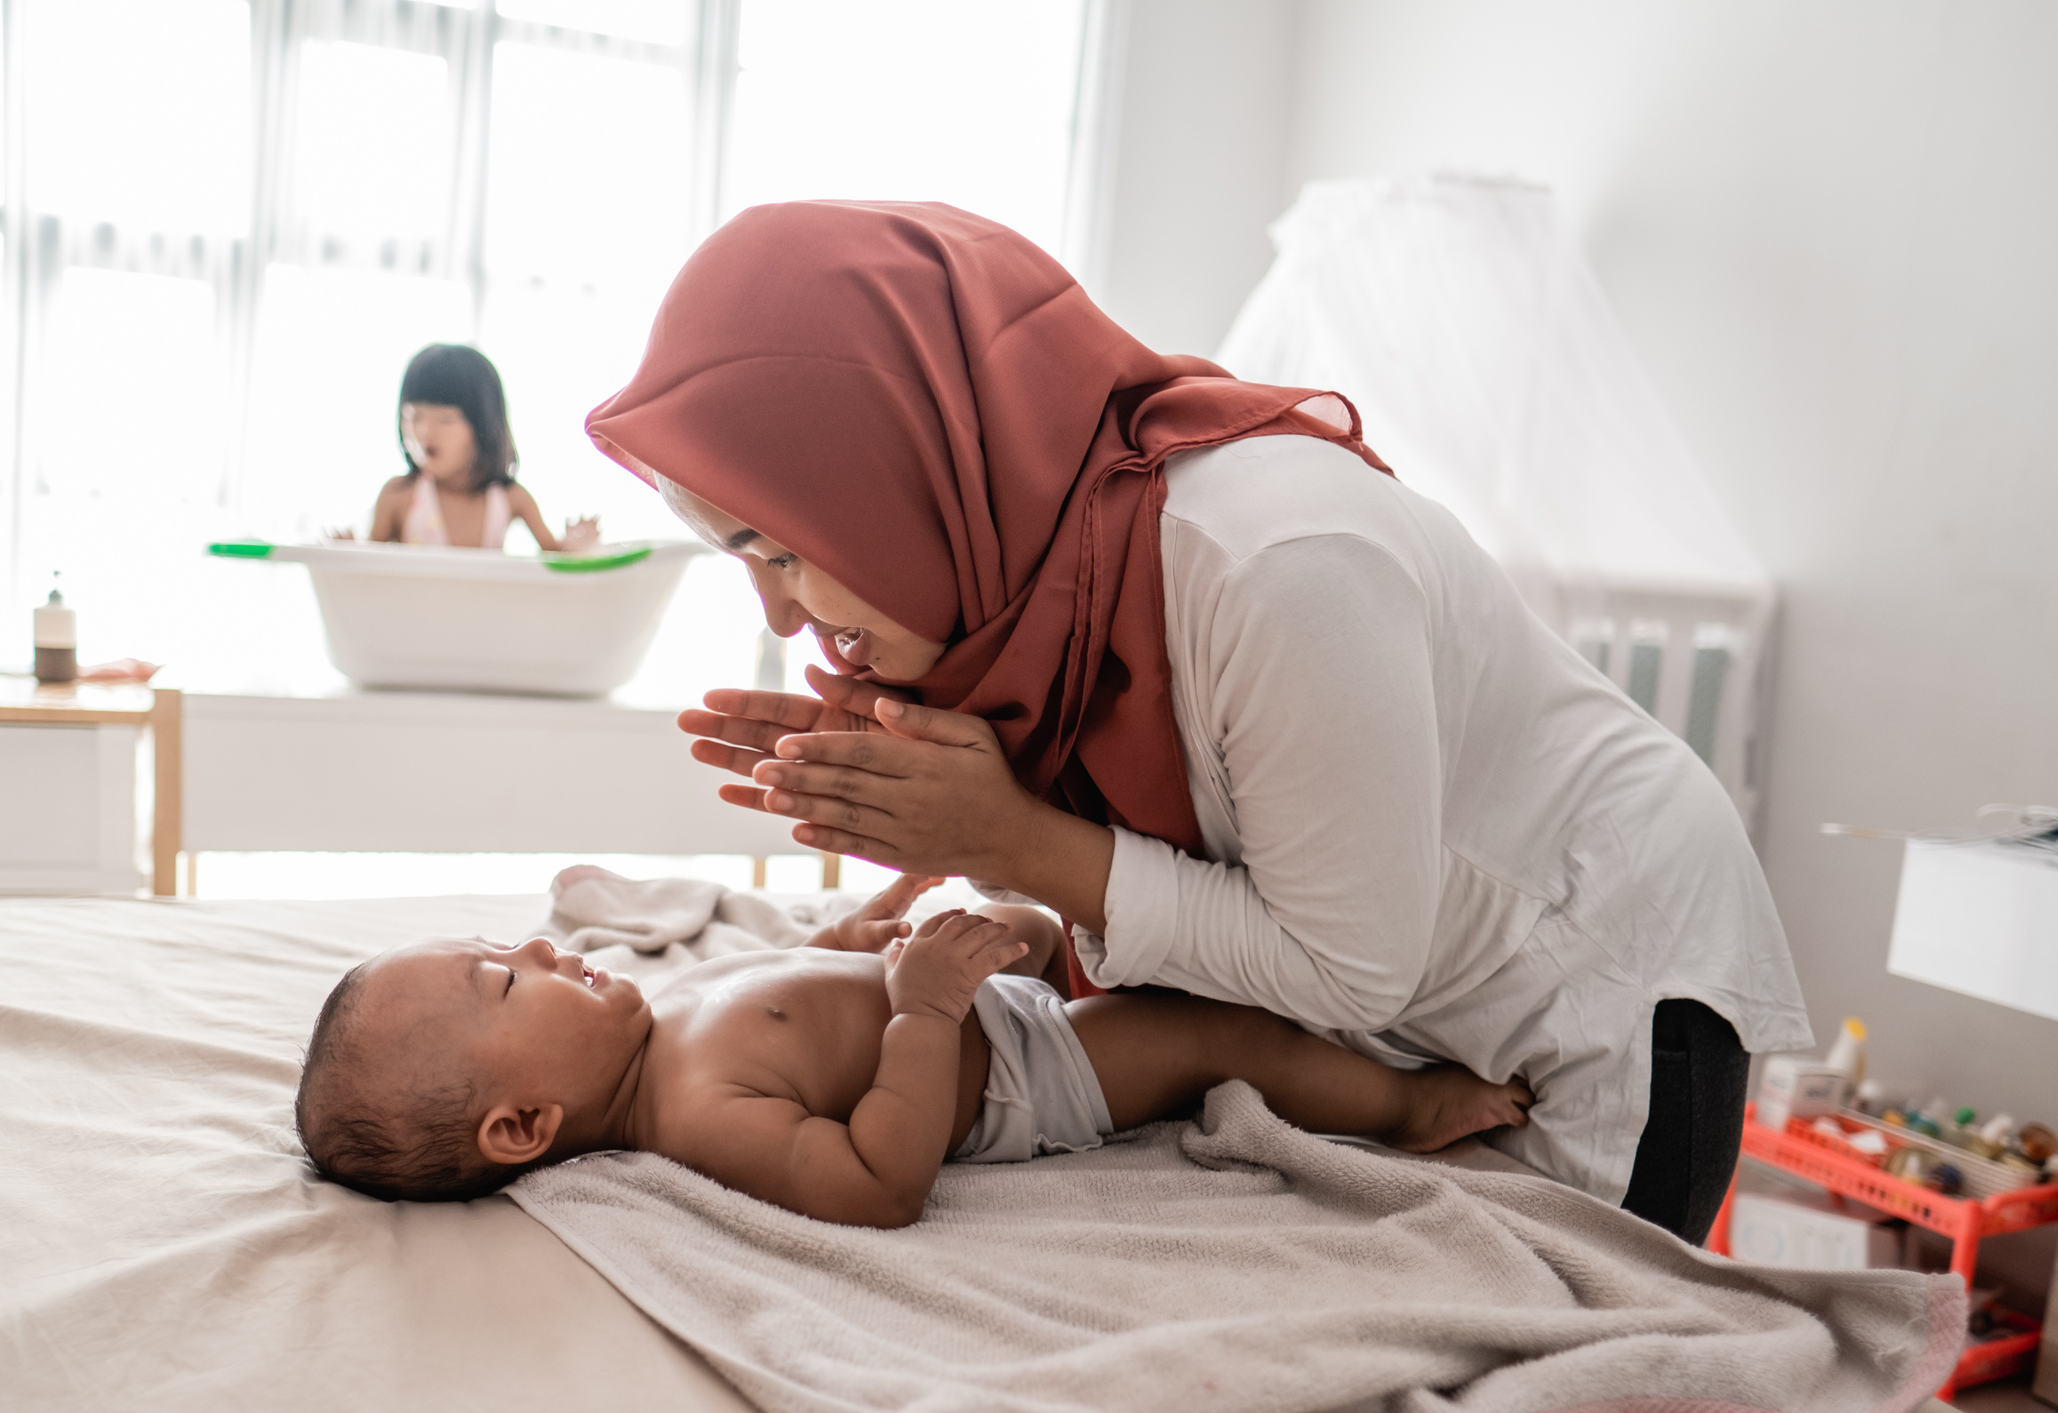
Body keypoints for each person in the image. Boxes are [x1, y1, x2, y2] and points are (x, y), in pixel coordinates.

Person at [584, 201, 1812, 1243]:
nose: (781, 614)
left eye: (784, 549)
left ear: (896, 473)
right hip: (1397, 1023)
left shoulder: (1277, 562)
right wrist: (955, 791)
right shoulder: (1039, 589)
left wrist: (1014, 838)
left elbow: (1346, 961)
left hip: (1587, 998)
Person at [294, 874, 1531, 1223]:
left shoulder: (653, 1020)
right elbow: (878, 1182)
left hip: (960, 1000)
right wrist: (925, 1012)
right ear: (521, 1126)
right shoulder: (699, 1109)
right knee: (1216, 1030)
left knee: (1066, 912)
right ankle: (1401, 1104)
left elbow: (792, 984)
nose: (542, 946)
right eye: (505, 978)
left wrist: (853, 938)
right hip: (1022, 1072)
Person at [353, 344, 600, 552]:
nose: (425, 431)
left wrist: (576, 545)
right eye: (414, 417)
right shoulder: (398, 495)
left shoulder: (511, 497)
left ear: (484, 426)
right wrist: (347, 551)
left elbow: (555, 558)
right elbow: (368, 570)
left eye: (446, 419)